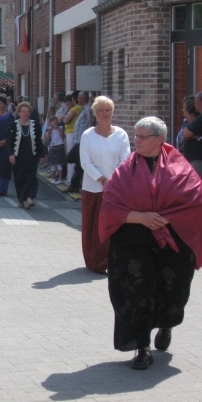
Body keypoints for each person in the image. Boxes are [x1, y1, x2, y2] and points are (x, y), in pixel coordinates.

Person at [99, 116, 202, 370]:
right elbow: (111, 206)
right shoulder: (125, 170)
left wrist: (166, 217)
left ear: (160, 140)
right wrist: (141, 217)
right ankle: (142, 348)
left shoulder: (180, 167)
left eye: (143, 137)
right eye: (136, 136)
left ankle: (166, 324)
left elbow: (195, 200)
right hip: (133, 240)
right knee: (136, 292)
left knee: (173, 290)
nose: (137, 141)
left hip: (173, 239)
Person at [79, 96, 130, 274]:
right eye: (101, 110)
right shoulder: (88, 136)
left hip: (116, 189)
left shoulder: (121, 135)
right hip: (94, 188)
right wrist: (102, 179)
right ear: (95, 113)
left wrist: (113, 180)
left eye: (107, 110)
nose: (104, 113)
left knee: (115, 225)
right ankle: (95, 260)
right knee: (94, 225)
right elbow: (85, 162)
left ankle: (112, 259)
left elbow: (125, 160)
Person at [7, 102, 45, 208]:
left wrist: (42, 155)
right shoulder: (13, 125)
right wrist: (11, 155)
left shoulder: (35, 125)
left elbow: (38, 140)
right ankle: (21, 200)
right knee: (19, 178)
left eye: (28, 112)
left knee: (31, 177)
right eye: (23, 112)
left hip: (32, 156)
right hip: (18, 157)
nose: (25, 114)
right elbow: (9, 141)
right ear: (19, 113)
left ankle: (29, 198)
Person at [64, 91, 93, 192]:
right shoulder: (83, 109)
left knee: (72, 158)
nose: (77, 99)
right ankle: (74, 185)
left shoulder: (88, 109)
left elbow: (90, 123)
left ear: (84, 98)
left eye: (79, 97)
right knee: (77, 163)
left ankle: (76, 184)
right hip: (78, 140)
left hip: (82, 140)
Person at [182, 92, 202, 177]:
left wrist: (190, 133)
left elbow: (186, 134)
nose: (194, 104)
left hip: (197, 160)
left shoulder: (200, 119)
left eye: (196, 101)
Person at [62, 92, 80, 185]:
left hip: (72, 134)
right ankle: (69, 179)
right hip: (69, 133)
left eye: (69, 101)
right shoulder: (75, 109)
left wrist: (64, 117)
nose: (67, 104)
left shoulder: (76, 108)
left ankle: (70, 180)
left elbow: (65, 120)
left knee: (70, 157)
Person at [43, 116, 66, 184]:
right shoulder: (50, 129)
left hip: (59, 147)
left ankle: (60, 178)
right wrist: (47, 132)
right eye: (53, 121)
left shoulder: (61, 128)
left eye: (56, 120)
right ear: (51, 123)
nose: (55, 122)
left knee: (59, 163)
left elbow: (62, 136)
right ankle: (53, 178)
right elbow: (46, 139)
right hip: (52, 147)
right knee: (53, 164)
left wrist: (58, 128)